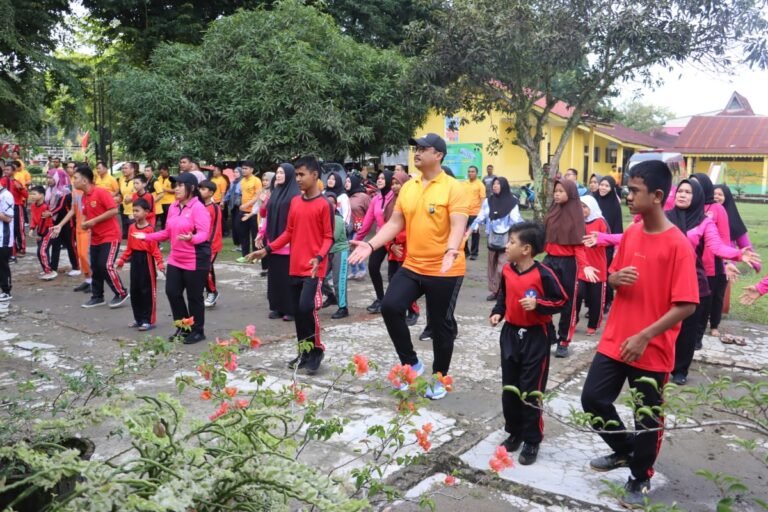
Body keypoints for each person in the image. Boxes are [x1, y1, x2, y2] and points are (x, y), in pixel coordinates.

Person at [580, 160, 698, 509]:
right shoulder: (631, 233)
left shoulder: (677, 245)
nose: (627, 197)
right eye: (627, 190)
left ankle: (640, 475)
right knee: (593, 399)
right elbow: (614, 275)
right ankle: (626, 449)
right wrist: (613, 279)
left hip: (652, 346)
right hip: (617, 337)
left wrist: (645, 336)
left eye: (634, 191)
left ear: (657, 196)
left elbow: (686, 304)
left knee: (647, 415)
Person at [349, 133, 471, 400]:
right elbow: (395, 223)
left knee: (440, 325)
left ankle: (439, 378)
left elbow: (458, 224)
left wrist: (452, 249)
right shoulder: (408, 187)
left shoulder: (454, 188)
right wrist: (371, 245)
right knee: (390, 306)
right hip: (413, 265)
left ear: (438, 155)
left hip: (445, 269)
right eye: (416, 148)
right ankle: (411, 364)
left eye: (423, 148)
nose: (417, 152)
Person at [665, 179, 757, 385]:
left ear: (697, 197)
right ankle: (660, 364)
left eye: (688, 192)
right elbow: (636, 234)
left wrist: (737, 255)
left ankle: (680, 370)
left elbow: (717, 246)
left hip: (692, 281)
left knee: (688, 329)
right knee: (663, 325)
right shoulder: (663, 217)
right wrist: (603, 239)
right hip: (664, 280)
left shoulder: (704, 222)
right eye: (680, 191)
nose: (682, 195)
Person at [247, 156, 334, 375]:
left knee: (307, 308)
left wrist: (319, 257)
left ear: (314, 175)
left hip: (314, 269)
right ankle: (303, 352)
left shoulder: (325, 204)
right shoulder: (296, 202)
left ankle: (317, 351)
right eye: (296, 175)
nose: (298, 179)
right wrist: (267, 250)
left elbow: (328, 237)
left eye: (302, 174)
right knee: (298, 312)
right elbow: (289, 232)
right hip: (294, 266)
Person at [490, 221, 567, 465]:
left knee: (531, 390)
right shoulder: (507, 270)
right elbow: (504, 296)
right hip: (510, 335)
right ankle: (515, 432)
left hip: (536, 337)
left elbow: (561, 300)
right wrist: (498, 312)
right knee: (510, 388)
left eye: (511, 242)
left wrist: (539, 304)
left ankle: (532, 439)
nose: (506, 246)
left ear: (526, 249)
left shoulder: (544, 273)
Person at [137, 173, 211, 344]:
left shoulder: (198, 208)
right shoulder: (173, 206)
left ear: (191, 188)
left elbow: (204, 234)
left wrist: (191, 238)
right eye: (175, 185)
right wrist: (147, 236)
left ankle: (198, 331)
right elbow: (167, 233)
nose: (176, 189)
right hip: (176, 258)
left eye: (180, 185)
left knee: (194, 297)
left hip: (195, 258)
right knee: (172, 292)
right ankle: (184, 327)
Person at [543, 178, 598, 358]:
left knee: (569, 303)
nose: (556, 194)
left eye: (561, 191)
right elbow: (544, 238)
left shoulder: (576, 215)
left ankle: (564, 341)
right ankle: (549, 333)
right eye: (555, 191)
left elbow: (579, 246)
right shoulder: (552, 212)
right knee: (543, 298)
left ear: (570, 193)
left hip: (568, 264)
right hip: (549, 260)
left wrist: (585, 266)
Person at [72, 164, 129, 308]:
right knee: (96, 267)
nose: (73, 181)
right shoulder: (84, 197)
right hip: (96, 237)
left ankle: (121, 292)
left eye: (76, 178)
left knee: (106, 265)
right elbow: (87, 214)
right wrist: (85, 223)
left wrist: (93, 221)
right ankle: (97, 297)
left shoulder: (101, 192)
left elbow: (113, 210)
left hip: (110, 235)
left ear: (85, 180)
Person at [469, 177, 524, 301]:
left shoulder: (512, 201)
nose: (495, 186)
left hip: (507, 239)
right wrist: (473, 227)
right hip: (492, 238)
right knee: (492, 267)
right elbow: (481, 216)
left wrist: (524, 230)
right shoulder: (489, 201)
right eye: (494, 184)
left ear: (504, 186)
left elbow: (516, 218)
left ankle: (504, 291)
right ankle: (495, 291)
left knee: (502, 267)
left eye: (498, 184)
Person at [690, 173, 730, 340]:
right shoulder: (689, 206)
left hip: (711, 262)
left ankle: (706, 330)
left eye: (697, 184)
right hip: (690, 261)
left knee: (709, 299)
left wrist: (727, 262)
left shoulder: (717, 209)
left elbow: (724, 237)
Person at [115, 199, 165, 331]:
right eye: (133, 210)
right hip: (135, 260)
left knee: (146, 291)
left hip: (146, 260)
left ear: (146, 212)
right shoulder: (132, 227)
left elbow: (155, 249)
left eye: (137, 210)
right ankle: (138, 319)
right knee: (135, 290)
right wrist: (122, 260)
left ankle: (148, 320)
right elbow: (129, 247)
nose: (135, 213)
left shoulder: (150, 229)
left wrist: (160, 263)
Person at [257, 163, 298, 321]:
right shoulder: (275, 193)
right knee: (275, 278)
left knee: (287, 278)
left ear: (289, 175)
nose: (279, 175)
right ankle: (277, 307)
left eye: (282, 173)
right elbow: (266, 215)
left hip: (288, 245)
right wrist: (261, 233)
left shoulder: (295, 195)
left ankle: (291, 309)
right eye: (277, 172)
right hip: (273, 243)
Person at [354, 170, 395, 313]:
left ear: (389, 180)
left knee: (393, 272)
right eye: (378, 178)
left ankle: (394, 301)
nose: (379, 180)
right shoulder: (376, 199)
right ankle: (380, 298)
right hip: (380, 238)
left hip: (395, 239)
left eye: (383, 178)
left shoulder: (395, 197)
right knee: (373, 266)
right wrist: (356, 241)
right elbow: (367, 222)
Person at [384, 170, 421, 327]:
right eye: (392, 184)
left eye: (397, 183)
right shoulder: (390, 204)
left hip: (407, 250)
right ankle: (400, 310)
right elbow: (385, 226)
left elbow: (412, 226)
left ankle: (413, 310)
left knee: (406, 284)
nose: (394, 186)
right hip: (393, 250)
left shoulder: (411, 202)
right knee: (393, 281)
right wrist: (390, 245)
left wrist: (397, 240)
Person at [576, 195, 609, 335]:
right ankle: (573, 320)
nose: (582, 209)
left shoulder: (600, 221)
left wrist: (597, 241)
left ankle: (593, 325)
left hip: (597, 266)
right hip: (582, 265)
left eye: (585, 206)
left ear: (592, 207)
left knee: (596, 298)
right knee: (577, 294)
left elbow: (608, 240)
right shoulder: (577, 222)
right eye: (580, 206)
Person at [714, 184, 760, 272]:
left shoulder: (733, 219)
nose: (716, 196)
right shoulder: (705, 214)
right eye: (714, 194)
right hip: (710, 263)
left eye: (720, 194)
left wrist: (756, 264)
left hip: (729, 264)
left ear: (727, 197)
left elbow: (745, 243)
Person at [594, 175, 623, 312]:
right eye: (601, 185)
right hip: (592, 244)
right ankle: (593, 303)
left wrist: (616, 247)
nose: (603, 188)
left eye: (606, 186)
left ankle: (606, 301)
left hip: (607, 245)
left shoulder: (615, 205)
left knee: (605, 273)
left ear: (611, 188)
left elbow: (617, 226)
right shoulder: (594, 200)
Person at [321, 192, 350, 319]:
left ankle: (343, 308)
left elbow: (333, 237)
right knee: (319, 277)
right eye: (327, 202)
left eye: (333, 203)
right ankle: (330, 296)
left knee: (339, 281)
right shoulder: (320, 217)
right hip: (327, 252)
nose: (330, 205)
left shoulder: (337, 219)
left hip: (339, 251)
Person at [45, 169, 78, 276]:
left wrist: (50, 213)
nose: (48, 180)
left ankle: (76, 267)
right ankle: (53, 268)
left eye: (51, 178)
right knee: (55, 244)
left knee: (70, 245)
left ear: (58, 178)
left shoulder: (66, 191)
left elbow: (60, 206)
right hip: (56, 222)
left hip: (68, 223)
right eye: (47, 178)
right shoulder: (50, 190)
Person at [199, 180, 223, 308]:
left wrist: (208, 244)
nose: (200, 191)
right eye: (200, 189)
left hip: (211, 245)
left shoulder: (215, 208)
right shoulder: (198, 206)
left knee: (206, 268)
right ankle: (208, 289)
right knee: (203, 269)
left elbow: (216, 228)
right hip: (199, 243)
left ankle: (212, 292)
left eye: (203, 189)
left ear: (211, 193)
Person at [28, 185, 57, 280]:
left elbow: (46, 223)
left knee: (42, 251)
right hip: (40, 231)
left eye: (34, 194)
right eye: (31, 194)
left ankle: (49, 271)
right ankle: (46, 269)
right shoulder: (33, 206)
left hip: (48, 231)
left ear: (41, 195)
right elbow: (33, 219)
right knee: (41, 252)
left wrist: (40, 234)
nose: (31, 196)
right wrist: (32, 229)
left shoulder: (45, 207)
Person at [236, 161, 262, 263]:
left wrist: (247, 204)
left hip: (254, 212)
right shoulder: (242, 181)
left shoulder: (256, 181)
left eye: (246, 168)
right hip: (243, 211)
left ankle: (255, 256)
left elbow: (258, 196)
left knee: (255, 235)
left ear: (252, 170)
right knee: (243, 234)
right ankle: (245, 255)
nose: (243, 170)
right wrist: (242, 205)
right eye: (243, 168)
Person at [346, 173, 371, 279]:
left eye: (349, 181)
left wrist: (366, 225)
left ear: (354, 182)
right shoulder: (345, 196)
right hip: (348, 228)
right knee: (349, 249)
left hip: (359, 228)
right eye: (346, 182)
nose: (346, 184)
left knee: (356, 248)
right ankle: (354, 271)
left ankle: (362, 269)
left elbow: (370, 212)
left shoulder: (363, 197)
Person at [464, 165, 486, 260]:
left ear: (477, 173)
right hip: (465, 213)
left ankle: (474, 253)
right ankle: (465, 252)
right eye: (469, 171)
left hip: (475, 213)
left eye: (472, 171)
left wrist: (481, 213)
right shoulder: (464, 184)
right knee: (463, 232)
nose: (470, 173)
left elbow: (482, 199)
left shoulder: (480, 185)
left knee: (475, 233)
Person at [0, 178, 13, 301]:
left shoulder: (6, 195)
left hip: (3, 236)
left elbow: (8, 218)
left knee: (2, 264)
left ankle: (6, 290)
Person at [224, 167, 243, 248]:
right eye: (234, 172)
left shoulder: (243, 182)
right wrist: (223, 201)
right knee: (234, 226)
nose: (235, 174)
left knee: (238, 225)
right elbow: (228, 193)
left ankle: (242, 244)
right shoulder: (233, 183)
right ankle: (237, 244)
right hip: (233, 207)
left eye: (237, 172)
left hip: (240, 206)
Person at [154, 164, 174, 230]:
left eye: (162, 172)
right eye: (160, 172)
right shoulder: (159, 178)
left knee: (167, 219)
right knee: (161, 219)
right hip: (160, 202)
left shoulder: (172, 179)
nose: (161, 174)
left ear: (167, 171)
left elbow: (175, 190)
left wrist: (164, 189)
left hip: (169, 202)